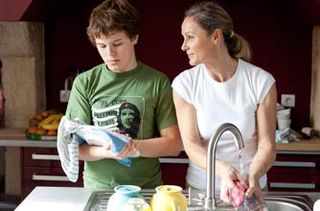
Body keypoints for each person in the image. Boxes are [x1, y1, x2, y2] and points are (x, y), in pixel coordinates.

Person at [65, 0, 181, 188]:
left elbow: (173, 144)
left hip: (146, 189)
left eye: (117, 43)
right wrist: (109, 151)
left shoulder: (157, 82)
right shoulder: (85, 83)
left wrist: (130, 146)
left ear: (134, 37)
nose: (110, 53)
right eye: (102, 46)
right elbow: (75, 148)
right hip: (98, 189)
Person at [172, 1, 277, 203]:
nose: (183, 45)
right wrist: (224, 171)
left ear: (216, 36)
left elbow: (267, 144)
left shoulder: (261, 82)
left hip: (251, 190)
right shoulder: (185, 84)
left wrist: (253, 176)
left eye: (190, 37)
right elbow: (192, 145)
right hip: (202, 190)